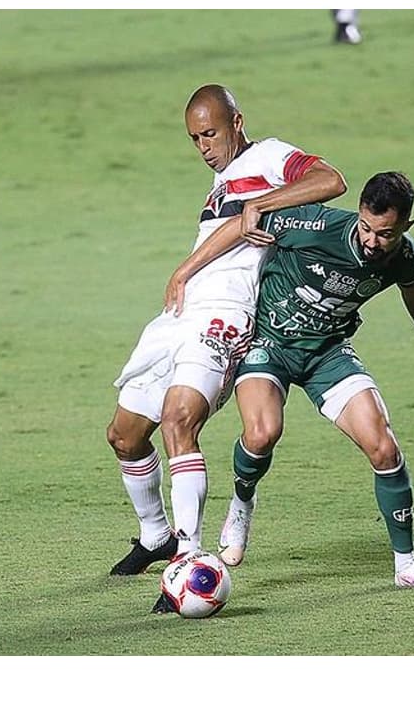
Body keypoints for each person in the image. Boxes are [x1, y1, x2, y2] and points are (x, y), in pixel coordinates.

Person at [164, 171, 414, 591]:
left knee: (384, 448)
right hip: (269, 343)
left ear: (406, 227)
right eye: (366, 227)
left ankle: (406, 565)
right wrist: (184, 272)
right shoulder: (312, 225)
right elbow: (240, 224)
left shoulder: (405, 257)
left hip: (327, 352)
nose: (371, 241)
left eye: (385, 233)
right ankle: (242, 499)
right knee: (261, 434)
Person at [106, 85, 347, 610]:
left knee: (178, 420)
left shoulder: (271, 156)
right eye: (194, 139)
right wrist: (189, 269)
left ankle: (190, 556)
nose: (204, 147)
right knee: (125, 437)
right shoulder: (221, 183)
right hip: (181, 312)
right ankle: (157, 537)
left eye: (210, 133)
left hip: (225, 315)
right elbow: (238, 228)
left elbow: (331, 180)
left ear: (237, 122)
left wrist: (263, 205)